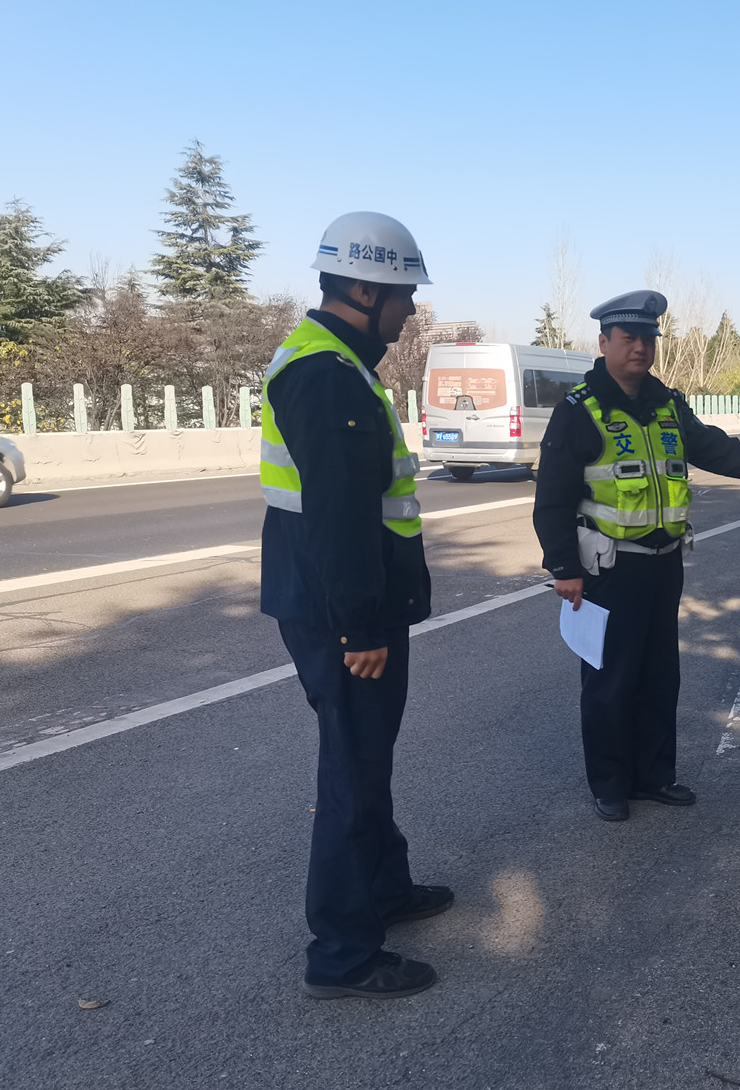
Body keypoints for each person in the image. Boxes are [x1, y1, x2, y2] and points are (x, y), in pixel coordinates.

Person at [533, 290, 740, 821]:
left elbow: (718, 449)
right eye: (629, 338)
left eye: (648, 339)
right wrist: (563, 568)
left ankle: (654, 777)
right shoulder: (579, 411)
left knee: (659, 676)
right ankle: (610, 784)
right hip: (609, 569)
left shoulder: (667, 405)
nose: (640, 348)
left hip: (663, 564)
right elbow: (551, 497)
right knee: (609, 680)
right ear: (604, 343)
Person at [259, 211, 450, 999]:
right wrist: (361, 625)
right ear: (366, 291)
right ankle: (342, 952)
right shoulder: (328, 375)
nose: (411, 311)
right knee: (350, 767)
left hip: (334, 601)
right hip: (340, 612)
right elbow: (340, 514)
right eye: (404, 295)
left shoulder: (334, 361)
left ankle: (383, 887)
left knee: (367, 757)